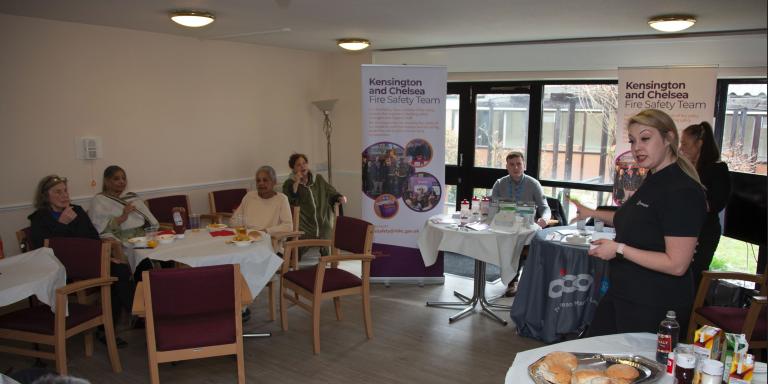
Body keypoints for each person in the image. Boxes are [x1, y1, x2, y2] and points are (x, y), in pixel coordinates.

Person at [571, 109, 707, 338]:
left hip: (654, 303)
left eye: (645, 138)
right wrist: (592, 213)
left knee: (636, 372)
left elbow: (677, 264)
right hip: (625, 293)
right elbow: (635, 219)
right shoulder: (653, 178)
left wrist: (619, 250)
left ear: (669, 138)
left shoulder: (682, 190)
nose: (636, 147)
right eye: (633, 141)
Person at [28, 175, 130, 347]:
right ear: (46, 196)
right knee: (117, 276)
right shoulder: (39, 218)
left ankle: (112, 325)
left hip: (87, 264)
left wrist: (106, 256)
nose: (64, 195)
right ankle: (140, 314)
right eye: (58, 192)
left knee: (120, 269)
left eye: (66, 191)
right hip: (61, 270)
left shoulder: (78, 211)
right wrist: (62, 224)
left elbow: (92, 238)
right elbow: (43, 251)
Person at [680, 121, 731, 290]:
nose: (681, 148)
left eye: (685, 144)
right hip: (682, 229)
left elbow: (714, 204)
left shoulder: (717, 170)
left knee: (693, 278)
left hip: (704, 233)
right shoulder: (684, 169)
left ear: (699, 144)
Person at [282, 153, 346, 255]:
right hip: (304, 224)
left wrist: (339, 197)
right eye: (298, 164)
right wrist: (297, 182)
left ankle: (327, 259)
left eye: (304, 163)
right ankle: (294, 259)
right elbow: (289, 201)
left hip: (322, 221)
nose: (302, 166)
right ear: (293, 168)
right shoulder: (288, 183)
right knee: (293, 255)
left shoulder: (318, 179)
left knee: (327, 230)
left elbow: (330, 191)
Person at [491, 151, 551, 228]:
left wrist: (545, 219)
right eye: (512, 164)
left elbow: (545, 208)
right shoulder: (499, 184)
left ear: (524, 166)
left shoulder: (534, 184)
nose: (515, 167)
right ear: (507, 167)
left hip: (527, 227)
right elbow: (492, 207)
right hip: (504, 226)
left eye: (519, 164)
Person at [230, 165, 293, 234]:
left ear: (274, 182)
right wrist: (243, 230)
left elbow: (288, 226)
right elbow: (234, 220)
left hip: (270, 240)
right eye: (258, 180)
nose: (261, 183)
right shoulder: (249, 196)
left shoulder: (281, 199)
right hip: (247, 238)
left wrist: (265, 231)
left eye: (265, 180)